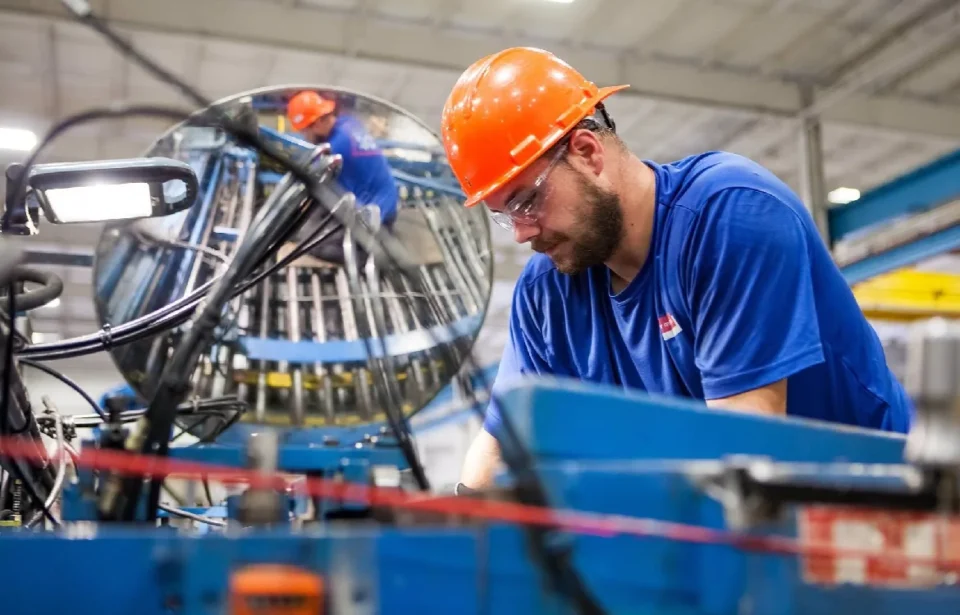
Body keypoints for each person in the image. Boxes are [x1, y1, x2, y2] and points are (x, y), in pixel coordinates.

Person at [439, 47, 916, 491]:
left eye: (527, 200)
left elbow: (743, 452)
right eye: (505, 215)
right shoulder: (548, 293)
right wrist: (463, 534)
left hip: (876, 511)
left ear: (588, 153)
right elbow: (501, 445)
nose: (522, 233)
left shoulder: (730, 215)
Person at [286, 90, 399, 264]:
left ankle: (371, 255)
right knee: (311, 220)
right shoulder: (349, 123)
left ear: (316, 124)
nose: (304, 137)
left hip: (376, 218)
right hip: (385, 201)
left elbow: (314, 185)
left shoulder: (335, 150)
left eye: (304, 131)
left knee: (309, 243)